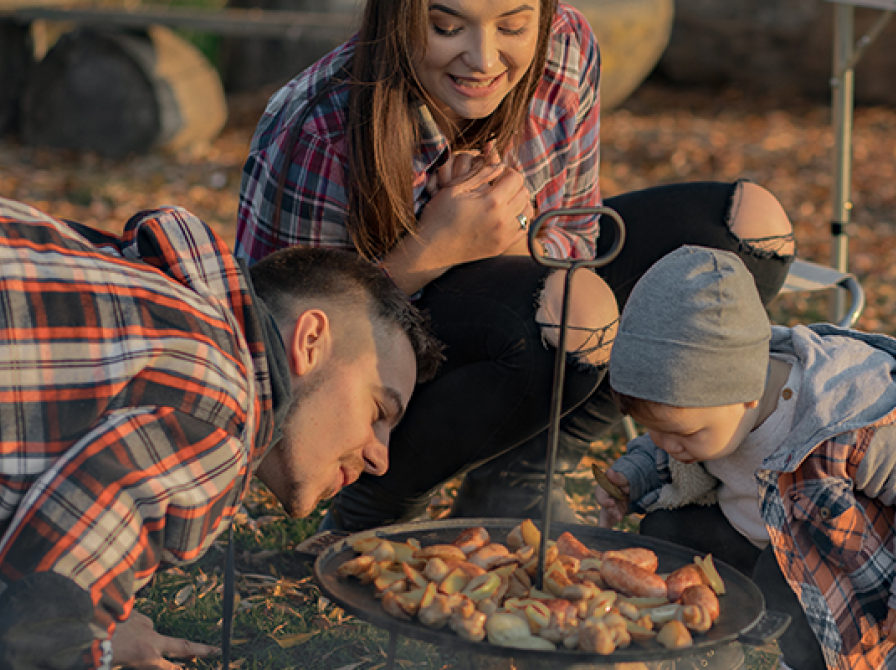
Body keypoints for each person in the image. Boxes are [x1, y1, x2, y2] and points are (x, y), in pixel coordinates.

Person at [236, 0, 796, 531]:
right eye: (446, 26)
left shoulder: (567, 47)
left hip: (513, 282)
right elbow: (288, 347)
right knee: (576, 309)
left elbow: (577, 238)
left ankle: (521, 471)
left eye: (512, 26)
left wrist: (503, 239)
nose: (483, 60)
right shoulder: (321, 128)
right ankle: (377, 500)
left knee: (750, 229)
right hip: (388, 367)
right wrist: (433, 248)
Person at [0, 196, 442, 669]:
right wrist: (92, 643)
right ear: (310, 341)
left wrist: (97, 614)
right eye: (378, 410)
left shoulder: (153, 306)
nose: (381, 459)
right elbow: (34, 639)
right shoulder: (219, 406)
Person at [595, 245, 896, 670]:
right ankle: (706, 647)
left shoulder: (847, 421)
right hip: (751, 535)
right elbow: (666, 450)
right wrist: (637, 473)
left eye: (681, 434)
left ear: (747, 393)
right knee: (667, 533)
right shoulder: (710, 414)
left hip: (841, 579)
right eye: (653, 430)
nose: (663, 444)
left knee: (786, 588)